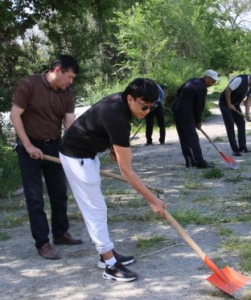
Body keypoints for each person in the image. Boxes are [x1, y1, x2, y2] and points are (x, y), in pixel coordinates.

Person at [59, 78, 167, 282]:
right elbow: (126, 170)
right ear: (130, 99)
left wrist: (110, 147)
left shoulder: (120, 103)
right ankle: (109, 265)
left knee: (98, 208)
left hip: (87, 154)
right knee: (95, 210)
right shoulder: (117, 116)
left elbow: (98, 125)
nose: (147, 111)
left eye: (152, 107)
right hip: (77, 158)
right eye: (145, 106)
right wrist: (153, 200)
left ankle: (105, 255)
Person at [10, 54, 83, 260]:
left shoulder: (67, 93)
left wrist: (71, 150)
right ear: (57, 70)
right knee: (35, 198)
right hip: (29, 148)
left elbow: (69, 124)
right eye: (69, 77)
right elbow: (15, 116)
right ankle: (43, 243)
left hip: (54, 148)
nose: (70, 82)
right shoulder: (29, 85)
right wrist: (28, 145)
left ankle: (60, 234)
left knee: (59, 193)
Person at [172, 70, 219, 168]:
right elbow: (199, 106)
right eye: (212, 81)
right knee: (193, 138)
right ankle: (200, 162)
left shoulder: (192, 80)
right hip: (186, 114)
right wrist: (198, 121)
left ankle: (189, 161)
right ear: (207, 78)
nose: (213, 83)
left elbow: (178, 91)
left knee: (183, 137)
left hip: (177, 110)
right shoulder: (202, 88)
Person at [219, 74, 251, 156]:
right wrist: (229, 104)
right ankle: (235, 149)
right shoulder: (240, 80)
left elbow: (248, 100)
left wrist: (247, 114)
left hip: (235, 105)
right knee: (230, 124)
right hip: (225, 103)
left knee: (241, 123)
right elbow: (228, 90)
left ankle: (242, 147)